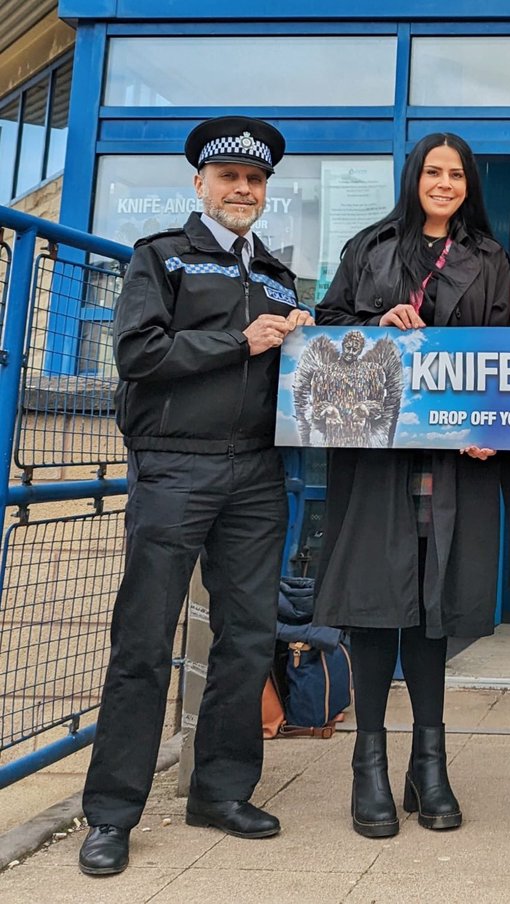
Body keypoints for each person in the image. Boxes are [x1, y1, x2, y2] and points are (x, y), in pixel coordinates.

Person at [79, 116, 312, 876]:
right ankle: (112, 813)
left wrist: (312, 346)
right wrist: (238, 342)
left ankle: (219, 790)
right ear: (201, 186)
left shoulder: (279, 275)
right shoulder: (163, 259)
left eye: (255, 181)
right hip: (175, 467)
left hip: (256, 473)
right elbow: (138, 354)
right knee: (144, 643)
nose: (243, 189)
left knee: (248, 638)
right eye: (229, 179)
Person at [314, 132, 510, 838]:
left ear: (469, 185)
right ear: (414, 177)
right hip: (376, 457)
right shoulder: (370, 247)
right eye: (433, 171)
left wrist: (496, 426)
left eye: (456, 174)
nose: (444, 183)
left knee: (433, 605)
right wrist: (376, 324)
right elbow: (325, 329)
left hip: (451, 458)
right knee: (376, 603)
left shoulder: (490, 258)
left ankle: (430, 765)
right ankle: (369, 764)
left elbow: (502, 351)